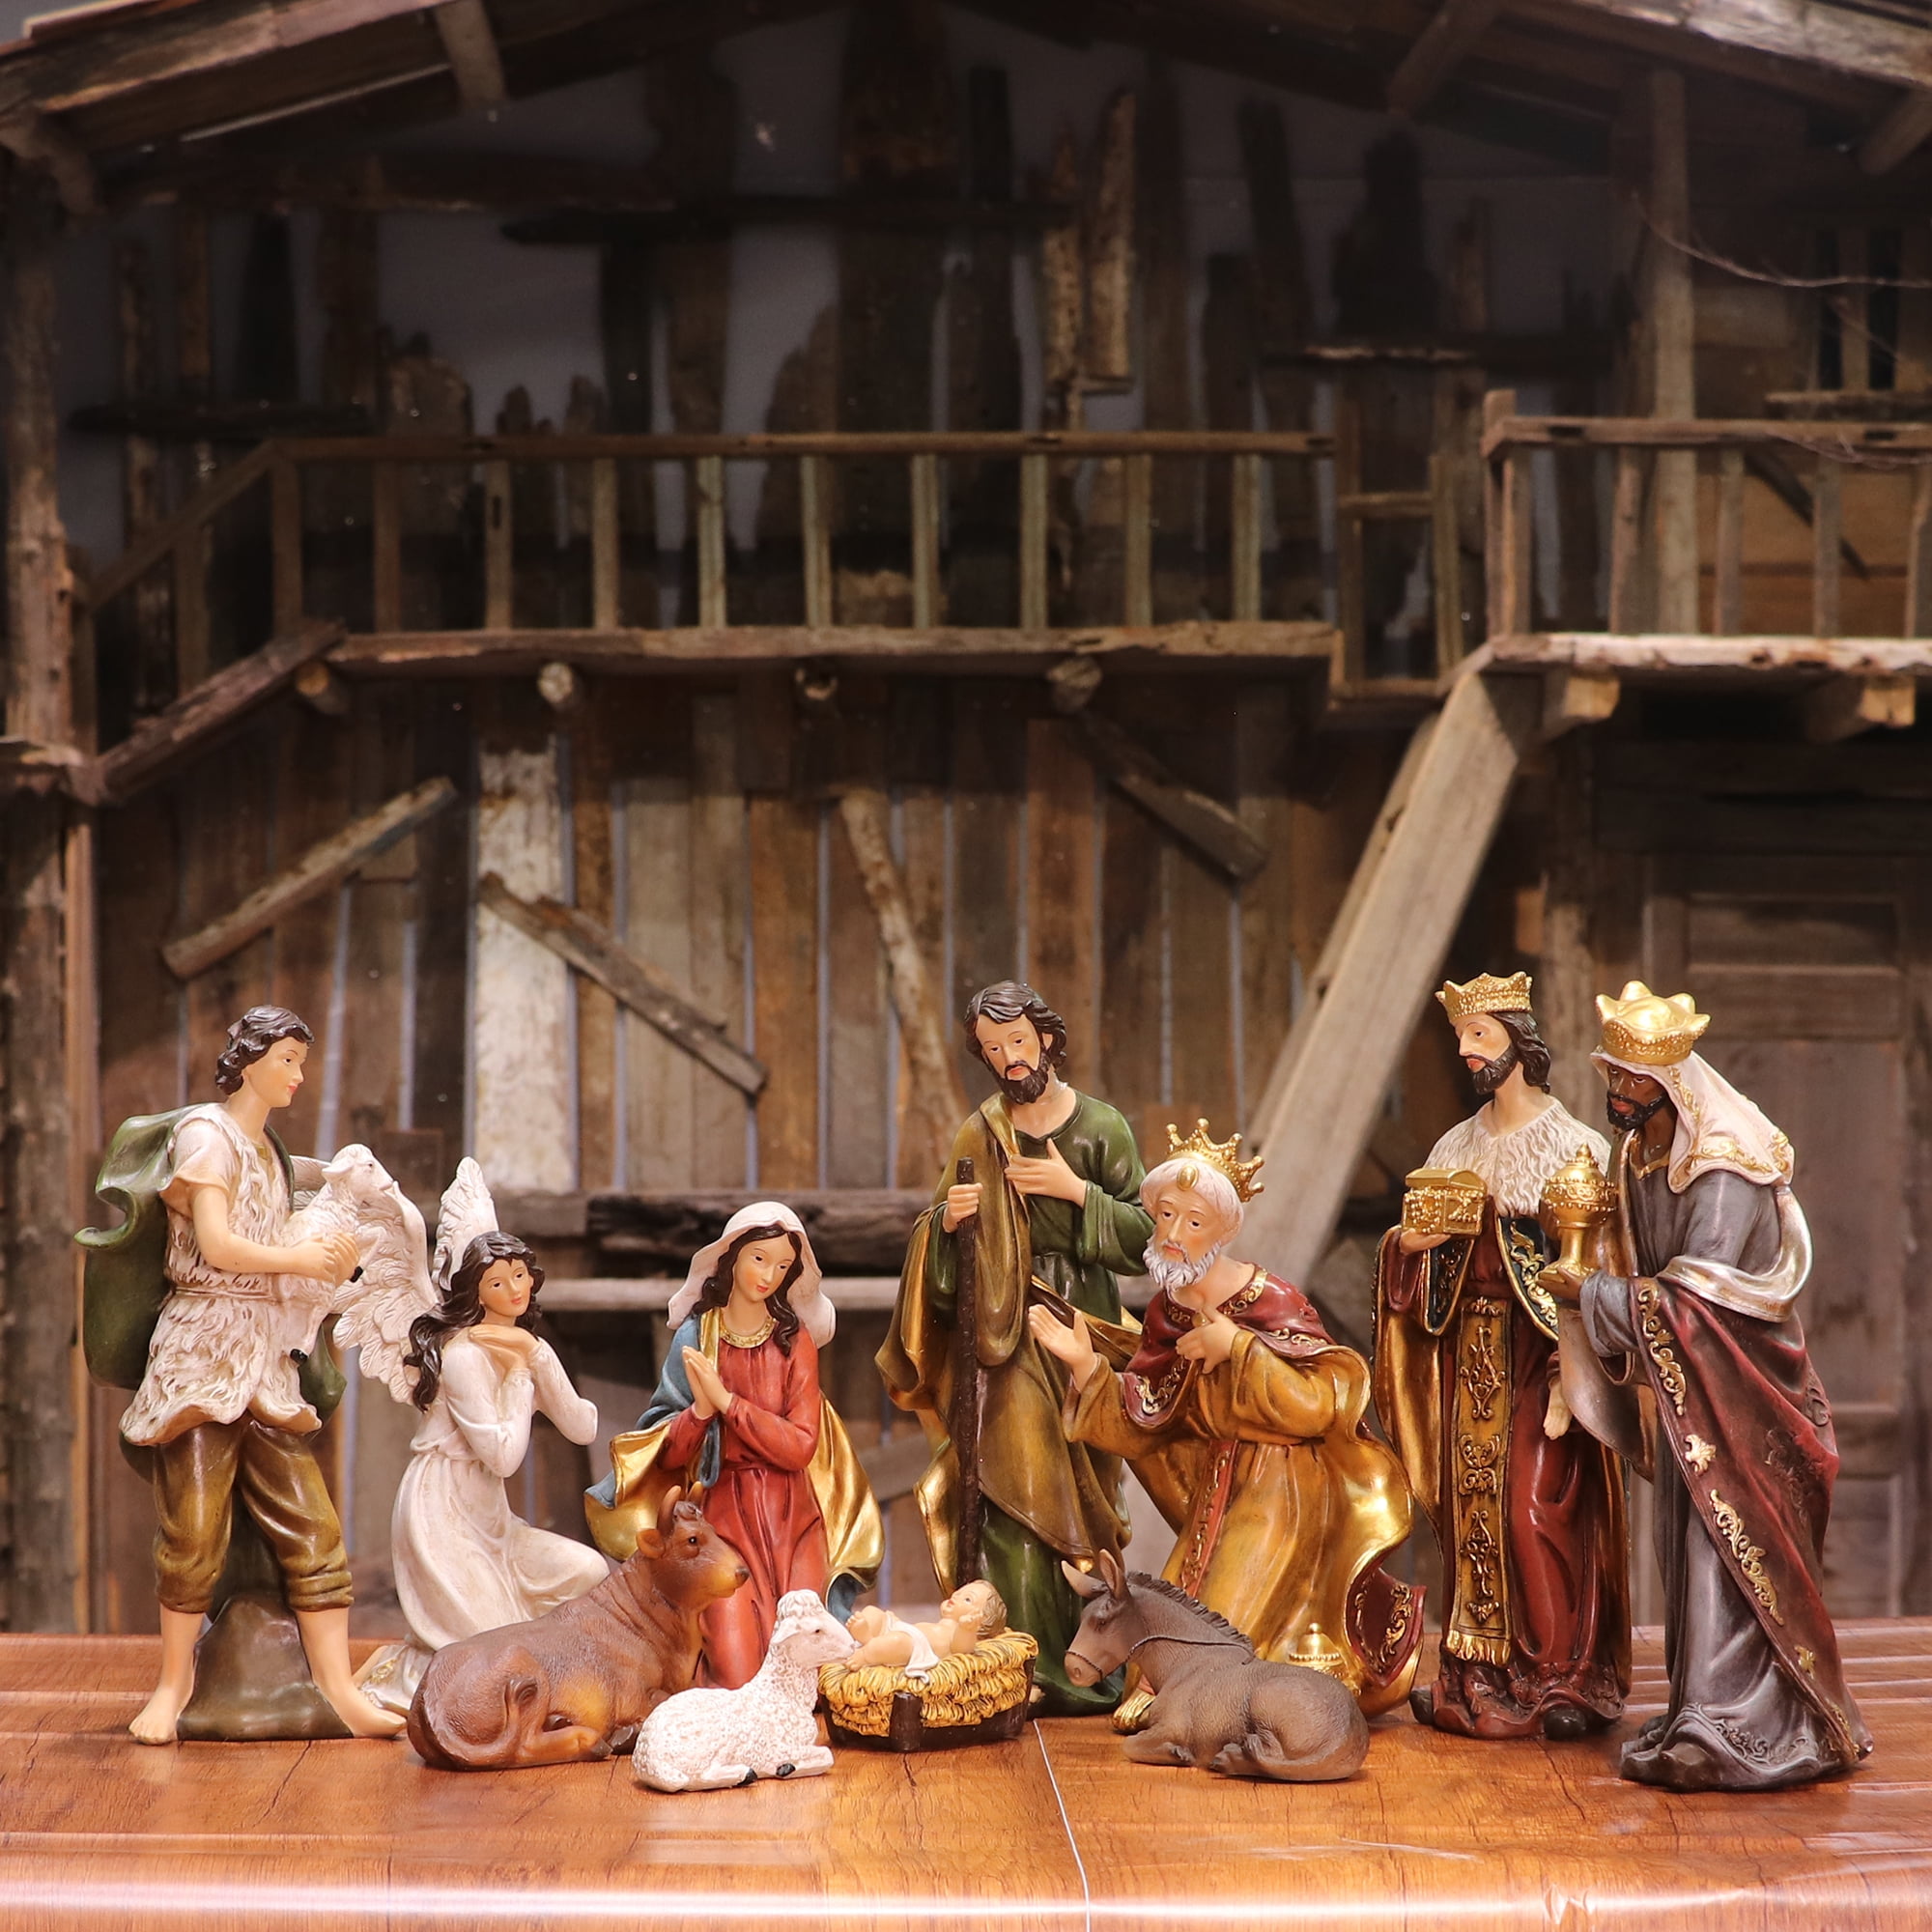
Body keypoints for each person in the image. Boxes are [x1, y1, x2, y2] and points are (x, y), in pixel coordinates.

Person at [1543, 982, 1872, 1791]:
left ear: (1669, 1081)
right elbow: (1647, 1270)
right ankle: (1700, 1708)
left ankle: (1746, 1724)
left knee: (1732, 1545)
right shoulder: (1639, 1152)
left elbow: (1699, 1303)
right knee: (1688, 1544)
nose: (1619, 1092)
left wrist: (1593, 1295)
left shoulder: (1722, 1164)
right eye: (1613, 1075)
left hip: (1746, 1387)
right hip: (1691, 1389)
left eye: (1633, 1081)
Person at [1030, 1122, 1422, 1724]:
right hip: (1220, 1486)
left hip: (1285, 1490)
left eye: (1193, 1222)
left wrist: (1238, 1347)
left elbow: (1320, 1405)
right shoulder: (1169, 1310)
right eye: (1165, 1215)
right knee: (1158, 1645)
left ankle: (1260, 1707)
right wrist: (1088, 1368)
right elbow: (1146, 1420)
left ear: (1226, 1230)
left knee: (1227, 1626)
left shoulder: (1273, 1301)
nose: (1172, 1235)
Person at [115, 1007, 403, 1744]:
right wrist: (299, 1260)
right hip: (203, 1353)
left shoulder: (269, 1150)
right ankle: (173, 1685)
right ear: (248, 1061)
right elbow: (217, 1244)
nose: (299, 1076)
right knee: (193, 1528)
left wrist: (337, 1228)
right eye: (287, 1061)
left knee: (313, 1523)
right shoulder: (205, 1138)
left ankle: (338, 1687)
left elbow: (291, 1209)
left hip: (265, 1359)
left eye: (301, 1062)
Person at [878, 980, 1151, 1716]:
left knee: (1087, 1502)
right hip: (1007, 1337)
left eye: (1019, 1043)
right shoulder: (981, 1132)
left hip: (1083, 1333)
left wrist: (1075, 1191)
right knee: (1014, 1489)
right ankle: (1022, 1659)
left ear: (1048, 1040)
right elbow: (937, 1244)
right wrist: (947, 1224)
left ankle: (1085, 1656)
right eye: (993, 1049)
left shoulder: (1102, 1127)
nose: (1009, 1059)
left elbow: (1148, 1241)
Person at [1374, 972, 1629, 1741]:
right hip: (1469, 1353)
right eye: (1460, 1037)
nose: (1466, 1051)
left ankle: (1560, 1674)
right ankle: (1479, 1671)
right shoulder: (1455, 1144)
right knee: (1470, 1513)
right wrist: (1409, 1246)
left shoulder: (1576, 1147)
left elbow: (1602, 1267)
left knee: (1533, 1508)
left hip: (1544, 1355)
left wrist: (1575, 1368)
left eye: (1479, 1035)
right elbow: (1416, 1257)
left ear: (1519, 1042)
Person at [587, 1202, 881, 1689]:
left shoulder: (794, 1342)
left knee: (808, 1669)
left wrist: (727, 1403)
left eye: (782, 1266)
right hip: (723, 1521)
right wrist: (701, 1413)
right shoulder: (696, 1336)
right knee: (735, 1672)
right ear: (731, 1257)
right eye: (759, 1259)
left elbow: (800, 1447)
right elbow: (669, 1455)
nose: (768, 1276)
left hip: (792, 1520)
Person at [355, 1225, 607, 1717]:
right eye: (496, 1282)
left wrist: (537, 1357)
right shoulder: (465, 1357)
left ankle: (550, 1672)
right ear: (475, 1292)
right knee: (487, 1653)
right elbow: (502, 1457)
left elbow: (583, 1428)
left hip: (491, 1519)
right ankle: (406, 1681)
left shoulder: (524, 1346)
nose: (514, 1289)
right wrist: (519, 1380)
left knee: (589, 1571)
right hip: (443, 1512)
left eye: (520, 1275)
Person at [845, 1579, 1009, 1677]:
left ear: (980, 1623)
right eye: (959, 1592)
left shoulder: (960, 1634)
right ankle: (868, 1639)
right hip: (903, 1630)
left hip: (915, 1647)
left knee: (897, 1642)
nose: (956, 1596)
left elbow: (962, 1649)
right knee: (873, 1613)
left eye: (967, 1599)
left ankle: (866, 1652)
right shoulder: (942, 1624)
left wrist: (967, 1629)